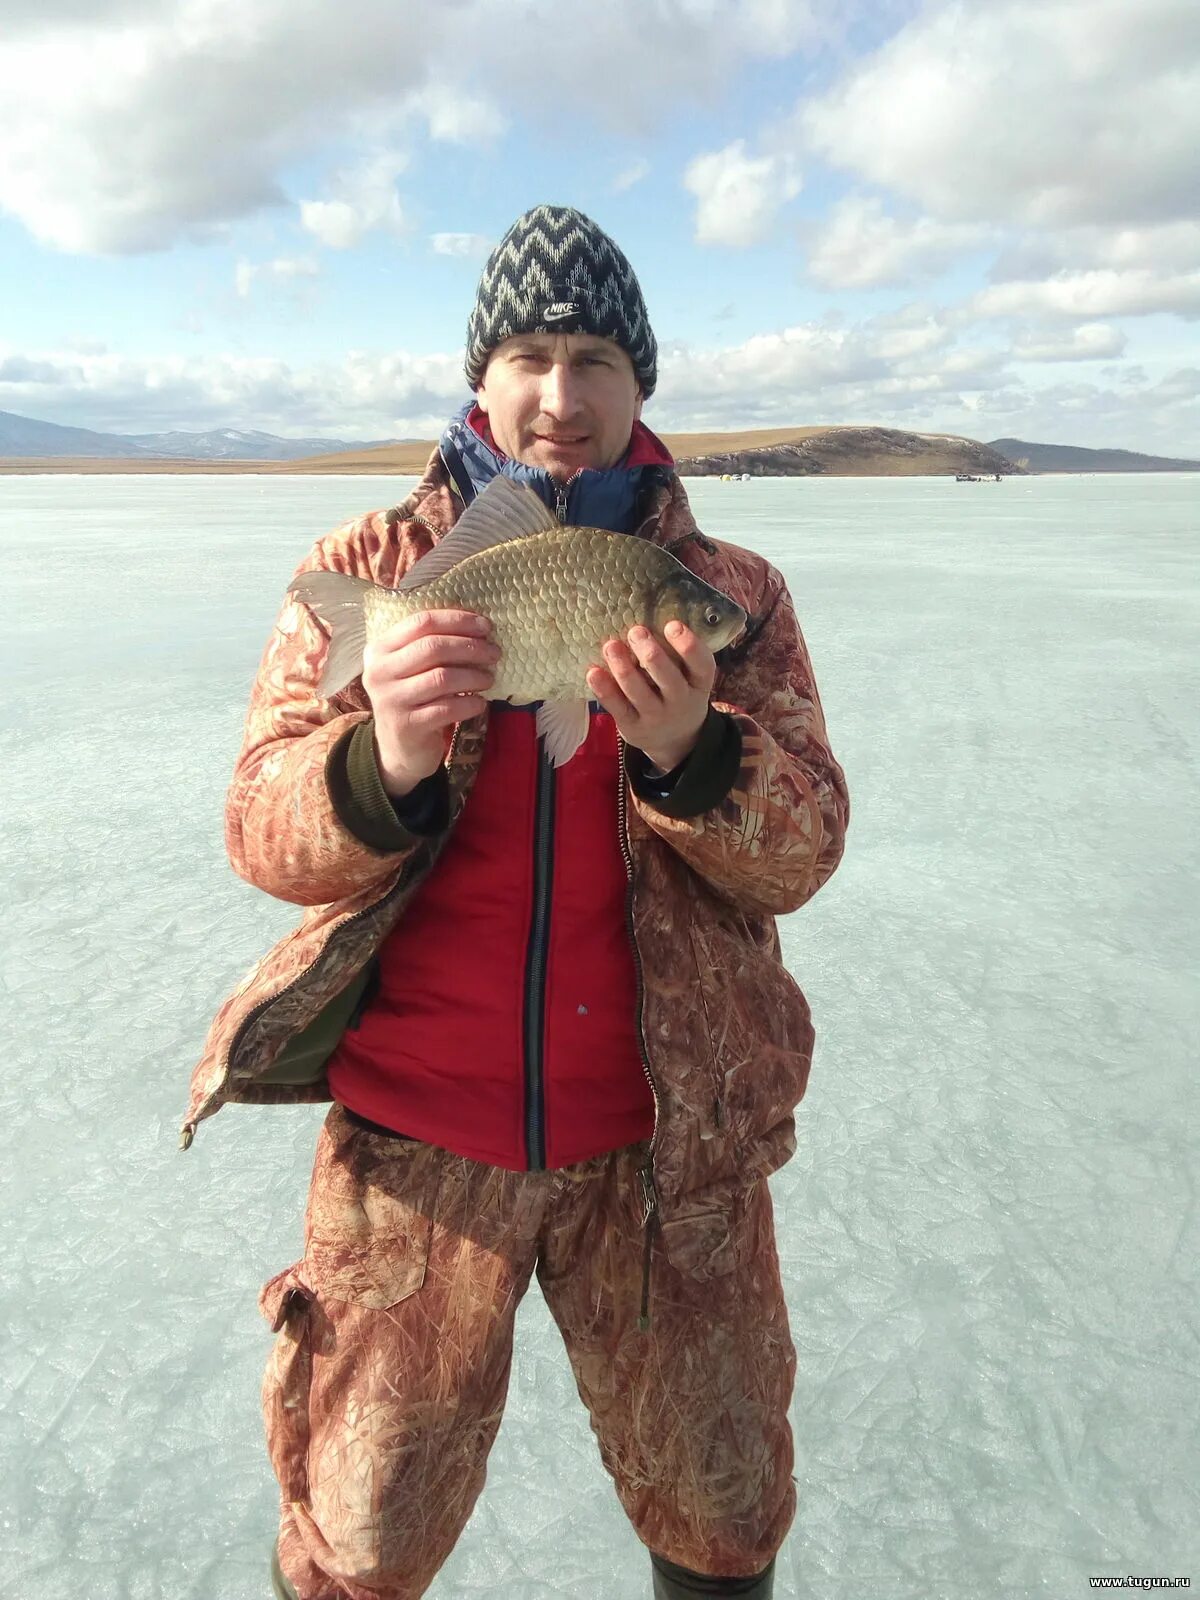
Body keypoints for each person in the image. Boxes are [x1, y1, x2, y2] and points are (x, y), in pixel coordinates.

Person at [180, 204, 851, 1600]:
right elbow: (258, 824)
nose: (561, 394)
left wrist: (699, 753)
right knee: (360, 1541)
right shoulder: (369, 574)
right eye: (531, 354)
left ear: (641, 382)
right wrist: (386, 761)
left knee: (724, 1518)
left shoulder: (734, 597)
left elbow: (808, 848)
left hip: (673, 1159)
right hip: (416, 1149)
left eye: (596, 356)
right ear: (480, 376)